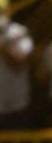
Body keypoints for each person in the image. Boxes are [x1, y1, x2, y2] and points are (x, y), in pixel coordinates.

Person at [0, 0, 34, 130]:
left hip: (16, 108)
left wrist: (3, 47)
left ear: (8, 11)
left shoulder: (19, 32)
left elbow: (19, 63)